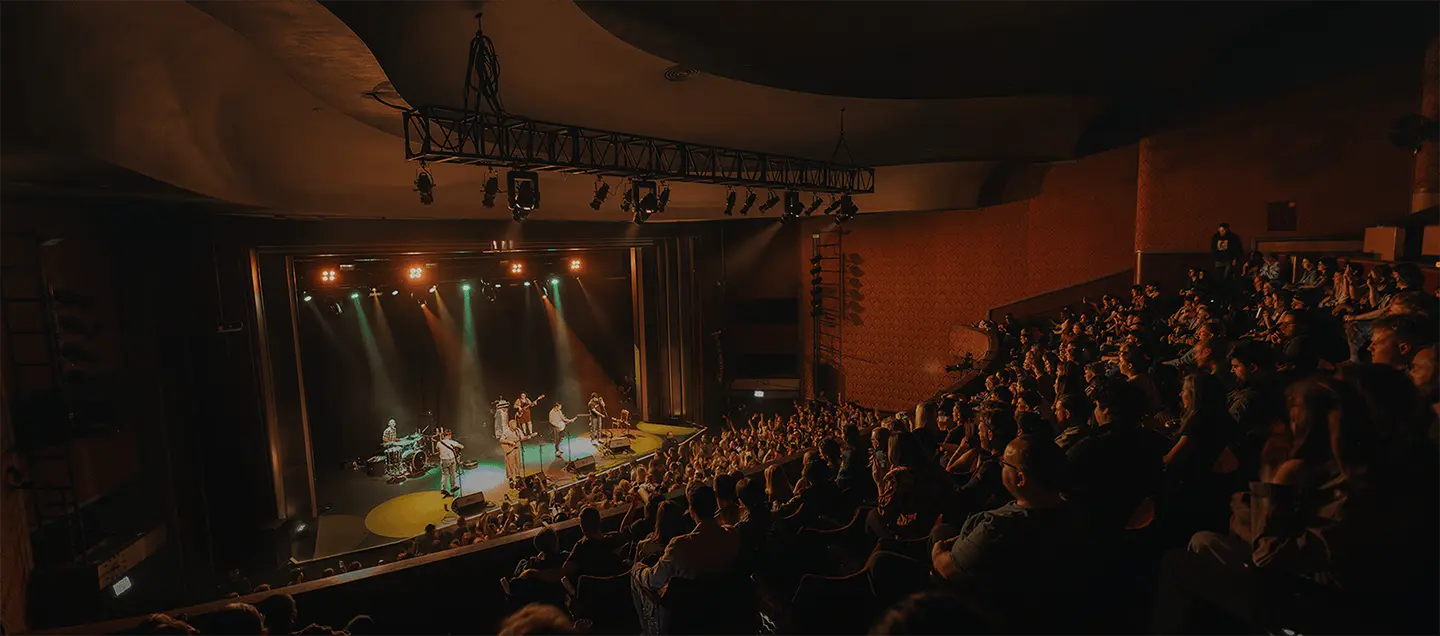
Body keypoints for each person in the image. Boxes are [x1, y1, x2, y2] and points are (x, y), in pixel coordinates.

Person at [931, 436, 1078, 626]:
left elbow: (946, 568)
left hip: (978, 607)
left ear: (1020, 478)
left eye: (1004, 463)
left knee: (882, 561)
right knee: (943, 529)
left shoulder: (1000, 528)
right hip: (1031, 604)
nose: (1001, 466)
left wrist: (938, 549)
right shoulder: (1070, 509)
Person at [436, 429, 463, 497]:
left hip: (443, 460)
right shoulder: (451, 442)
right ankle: (452, 487)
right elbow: (462, 446)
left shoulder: (439, 443)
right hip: (451, 460)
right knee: (452, 474)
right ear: (449, 435)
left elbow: (437, 449)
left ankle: (443, 488)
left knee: (444, 475)